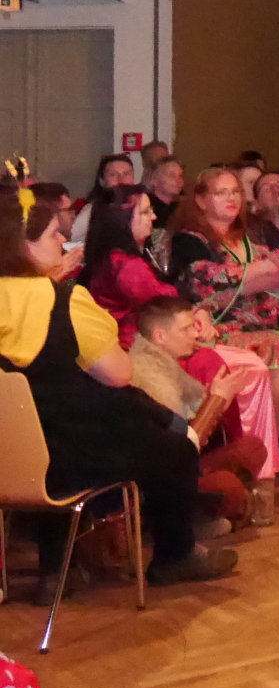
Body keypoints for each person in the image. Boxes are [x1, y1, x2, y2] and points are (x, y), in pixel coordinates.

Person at [0, 176, 238, 593]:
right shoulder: (63, 301)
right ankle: (175, 556)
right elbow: (118, 374)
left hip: (10, 455)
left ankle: (56, 571)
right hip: (67, 456)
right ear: (25, 245)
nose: (63, 241)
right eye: (54, 234)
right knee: (173, 448)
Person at [167, 167, 279, 430]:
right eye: (220, 193)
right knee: (271, 350)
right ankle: (247, 442)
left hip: (273, 322)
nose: (231, 198)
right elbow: (205, 284)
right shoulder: (188, 239)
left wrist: (241, 278)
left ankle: (266, 442)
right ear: (201, 200)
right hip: (219, 324)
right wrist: (264, 269)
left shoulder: (259, 228)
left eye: (235, 191)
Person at [128, 296, 265, 532]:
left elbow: (196, 414)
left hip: (180, 463)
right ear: (160, 336)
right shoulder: (148, 373)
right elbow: (178, 450)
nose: (195, 334)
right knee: (228, 485)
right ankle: (180, 525)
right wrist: (217, 400)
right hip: (159, 479)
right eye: (186, 329)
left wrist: (217, 399)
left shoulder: (165, 362)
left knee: (252, 449)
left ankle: (224, 510)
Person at [81, 184, 173, 347]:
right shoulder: (127, 265)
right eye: (145, 212)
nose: (153, 217)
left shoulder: (108, 256)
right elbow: (163, 305)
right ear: (121, 219)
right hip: (132, 345)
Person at [144, 155, 186, 230]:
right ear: (154, 180)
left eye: (180, 176)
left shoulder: (183, 209)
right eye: (171, 175)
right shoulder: (145, 208)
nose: (178, 180)